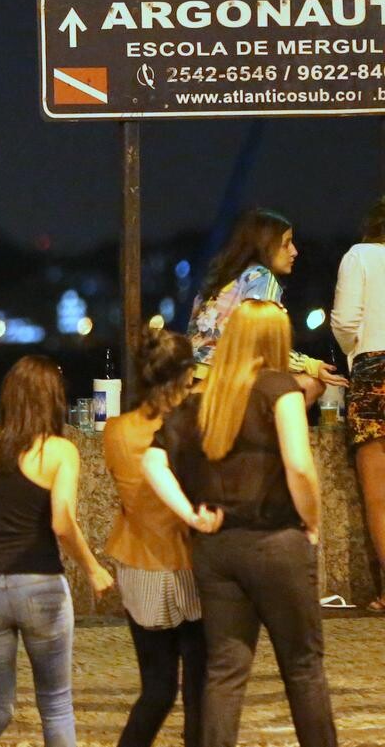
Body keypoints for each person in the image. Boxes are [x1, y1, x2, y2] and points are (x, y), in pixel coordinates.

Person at [144, 300, 337, 747]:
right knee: (304, 667)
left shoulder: (198, 401)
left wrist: (190, 513)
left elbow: (151, 462)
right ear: (275, 339)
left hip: (217, 550)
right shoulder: (278, 387)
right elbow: (300, 467)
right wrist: (312, 521)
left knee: (225, 671)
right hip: (276, 543)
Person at [0, 355, 114, 747]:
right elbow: (62, 521)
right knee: (55, 706)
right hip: (40, 585)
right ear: (52, 400)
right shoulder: (58, 451)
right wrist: (92, 568)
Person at [104, 329, 205, 747]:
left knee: (157, 689)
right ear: (187, 373)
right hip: (192, 564)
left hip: (139, 563)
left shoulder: (117, 430)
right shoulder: (196, 422)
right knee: (200, 690)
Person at [187, 207, 346, 404]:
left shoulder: (219, 279)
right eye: (286, 244)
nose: (294, 251)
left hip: (194, 380)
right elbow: (265, 344)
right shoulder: (261, 277)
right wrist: (311, 365)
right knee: (311, 385)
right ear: (266, 246)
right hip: (228, 381)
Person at [331, 199, 385, 613]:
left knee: (379, 494)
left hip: (376, 371)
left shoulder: (361, 256)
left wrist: (358, 356)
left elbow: (346, 322)